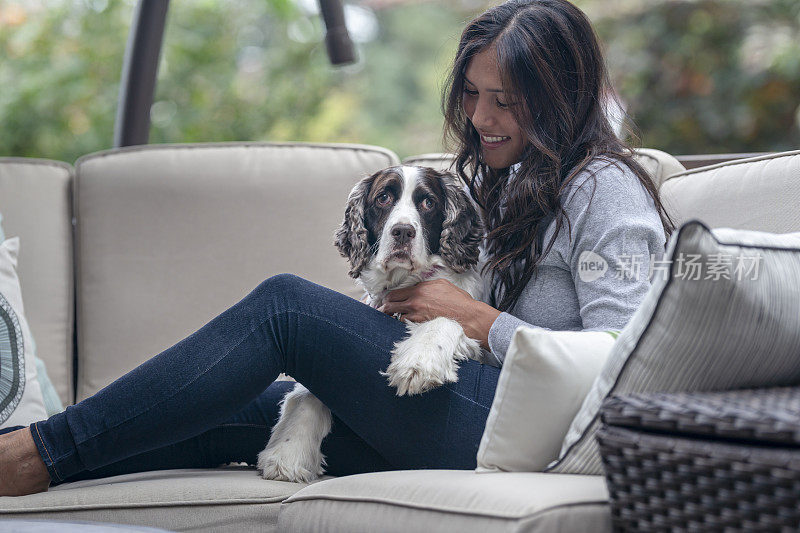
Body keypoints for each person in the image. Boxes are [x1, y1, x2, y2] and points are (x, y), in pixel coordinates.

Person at [0, 0, 673, 496]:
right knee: (231, 407)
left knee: (285, 308)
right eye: (471, 93)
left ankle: (34, 453)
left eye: (504, 99)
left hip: (525, 430)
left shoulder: (605, 187)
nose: (479, 118)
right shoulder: (504, 184)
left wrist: (476, 321)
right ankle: (43, 462)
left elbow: (631, 362)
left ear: (560, 98)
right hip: (459, 399)